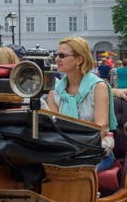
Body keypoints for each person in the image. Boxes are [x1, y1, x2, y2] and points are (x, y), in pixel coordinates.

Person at [44, 37, 117, 172]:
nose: (57, 59)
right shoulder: (54, 92)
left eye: (62, 55)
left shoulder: (98, 87)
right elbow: (54, 129)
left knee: (74, 171)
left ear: (79, 59)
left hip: (95, 153)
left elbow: (103, 128)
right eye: (56, 55)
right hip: (64, 153)